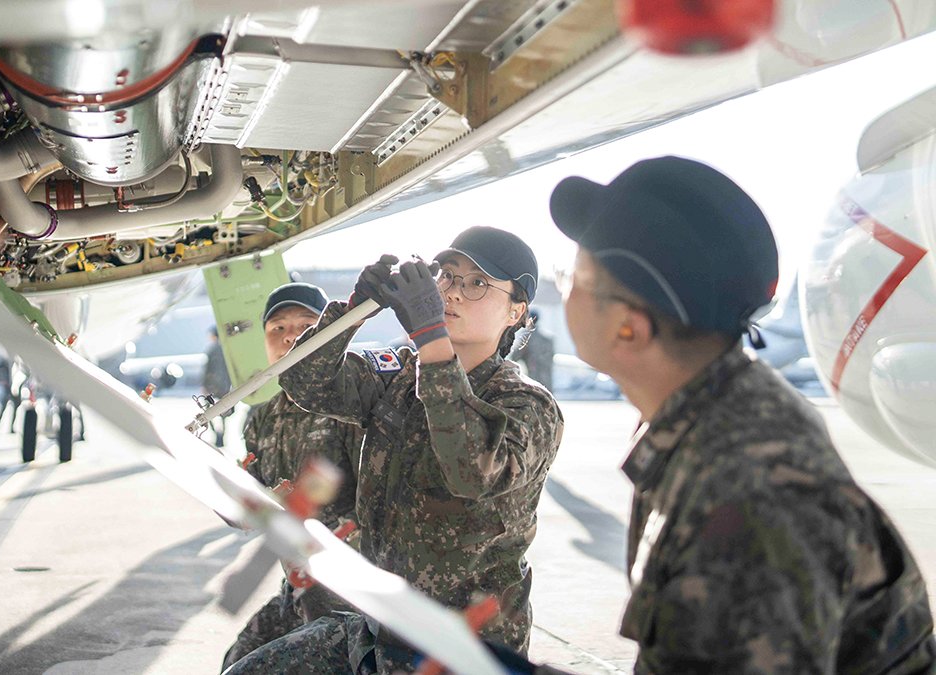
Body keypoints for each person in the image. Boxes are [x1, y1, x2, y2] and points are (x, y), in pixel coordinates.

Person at [548, 156, 935, 672]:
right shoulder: (713, 416)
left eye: (571, 277)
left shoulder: (751, 493)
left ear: (628, 328)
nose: (562, 291)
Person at [225, 226, 564, 674]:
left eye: (477, 283)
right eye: (446, 276)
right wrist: (353, 310)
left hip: (461, 647)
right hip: (378, 624)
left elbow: (472, 469)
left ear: (516, 312)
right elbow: (306, 383)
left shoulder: (527, 404)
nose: (454, 293)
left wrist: (430, 338)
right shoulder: (400, 377)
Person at [220, 282, 365, 671]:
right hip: (297, 584)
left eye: (305, 325)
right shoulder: (262, 417)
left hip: (348, 594)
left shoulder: (352, 406)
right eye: (277, 329)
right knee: (235, 659)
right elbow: (247, 508)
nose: (290, 337)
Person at [202, 325, 234, 447]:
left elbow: (207, 369)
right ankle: (222, 435)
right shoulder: (227, 349)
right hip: (226, 386)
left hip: (212, 387)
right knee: (224, 413)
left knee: (208, 411)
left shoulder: (211, 349)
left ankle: (216, 434)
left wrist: (204, 386)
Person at [512, 308, 555, 389]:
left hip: (532, 383)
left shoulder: (526, 338)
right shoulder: (547, 339)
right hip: (547, 384)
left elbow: (514, 357)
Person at [0, 356, 21, 434]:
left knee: (14, 409)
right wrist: (2, 380)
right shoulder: (4, 360)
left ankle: (11, 427)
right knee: (3, 409)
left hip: (15, 388)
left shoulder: (18, 361)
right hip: (7, 388)